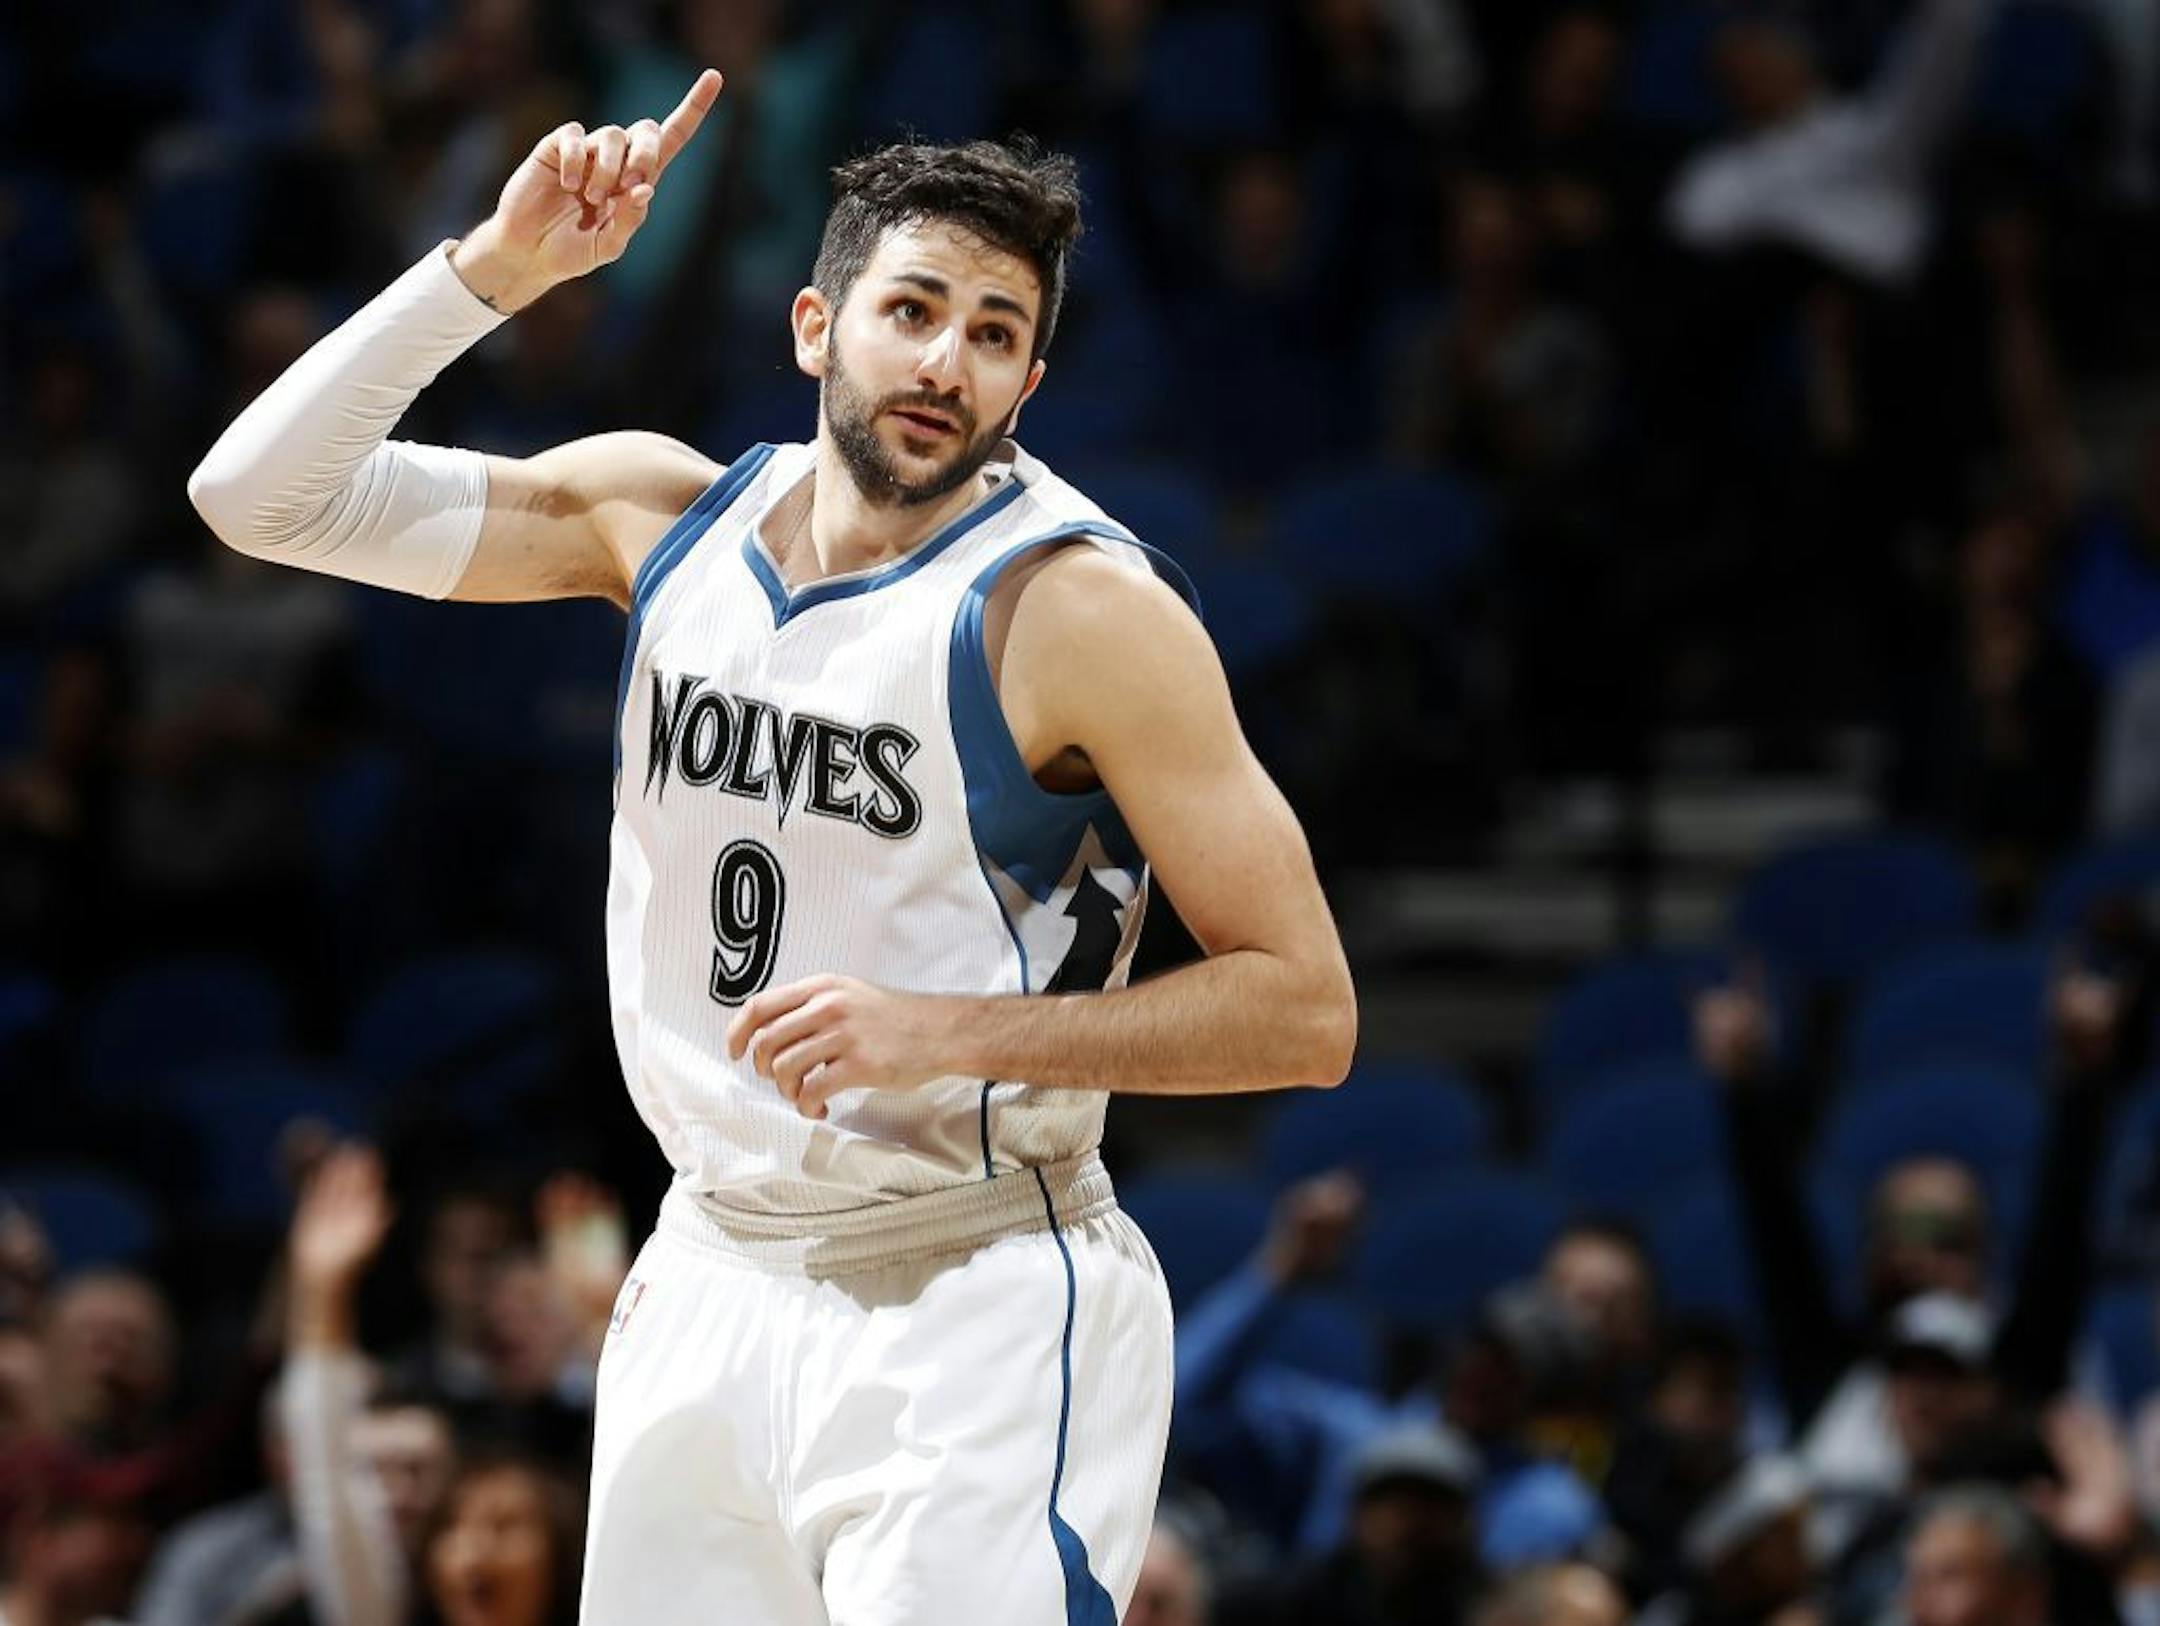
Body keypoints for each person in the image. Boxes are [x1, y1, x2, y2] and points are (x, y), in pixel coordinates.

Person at [186, 70, 1359, 1623]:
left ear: (1029, 382)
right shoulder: (655, 521)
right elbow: (256, 496)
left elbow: (1306, 1008)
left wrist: (945, 1033)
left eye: (996, 333)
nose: (948, 359)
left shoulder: (1074, 610)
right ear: (817, 328)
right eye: (915, 309)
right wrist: (499, 270)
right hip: (709, 1270)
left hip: (974, 1290)